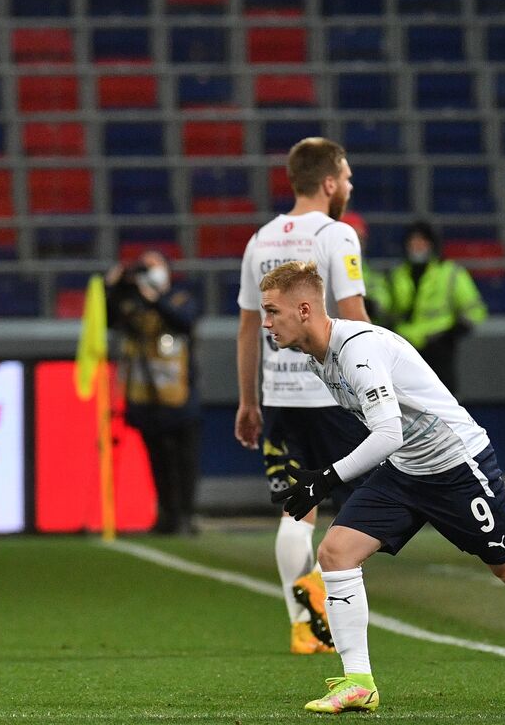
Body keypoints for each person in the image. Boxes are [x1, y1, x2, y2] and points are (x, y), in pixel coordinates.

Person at [257, 260, 505, 717]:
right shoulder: (318, 357)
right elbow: (393, 441)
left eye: (273, 311)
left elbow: (388, 432)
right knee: (336, 552)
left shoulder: (355, 351)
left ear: (303, 309)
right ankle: (358, 682)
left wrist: (328, 479)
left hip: (457, 464)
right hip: (407, 471)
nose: (266, 322)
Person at [235, 137, 373, 656]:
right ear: (330, 182)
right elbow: (353, 313)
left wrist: (249, 402)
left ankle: (302, 627)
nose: (351, 187)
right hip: (333, 396)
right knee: (380, 498)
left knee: (298, 512)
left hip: (281, 398)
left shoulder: (260, 240)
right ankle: (328, 591)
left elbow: (249, 329)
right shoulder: (337, 234)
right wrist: (380, 381)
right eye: (349, 177)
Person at [105, 250, 201, 536]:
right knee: (157, 461)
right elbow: (108, 319)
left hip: (180, 397)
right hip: (146, 397)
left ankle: (186, 515)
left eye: (153, 266)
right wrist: (114, 286)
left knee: (184, 462)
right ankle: (166, 514)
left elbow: (184, 321)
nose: (147, 273)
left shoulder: (180, 298)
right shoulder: (132, 305)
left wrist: (154, 298)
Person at [387, 221, 489, 392]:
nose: (417, 246)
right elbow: (387, 308)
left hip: (438, 347)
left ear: (432, 244)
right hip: (404, 348)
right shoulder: (396, 274)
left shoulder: (449, 272)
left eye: (422, 241)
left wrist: (452, 334)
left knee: (444, 403)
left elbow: (475, 309)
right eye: (413, 241)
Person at [340, 211, 393, 327]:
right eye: (353, 238)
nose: (358, 243)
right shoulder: (323, 269)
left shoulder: (370, 272)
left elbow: (384, 301)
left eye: (361, 238)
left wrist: (372, 305)